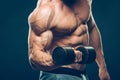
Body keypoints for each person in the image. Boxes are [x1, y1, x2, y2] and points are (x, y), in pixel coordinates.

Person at [28, 0, 110, 80]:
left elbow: (91, 28)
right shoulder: (46, 10)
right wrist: (62, 58)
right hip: (58, 74)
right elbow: (34, 58)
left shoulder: (85, 1)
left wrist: (102, 67)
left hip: (81, 74)